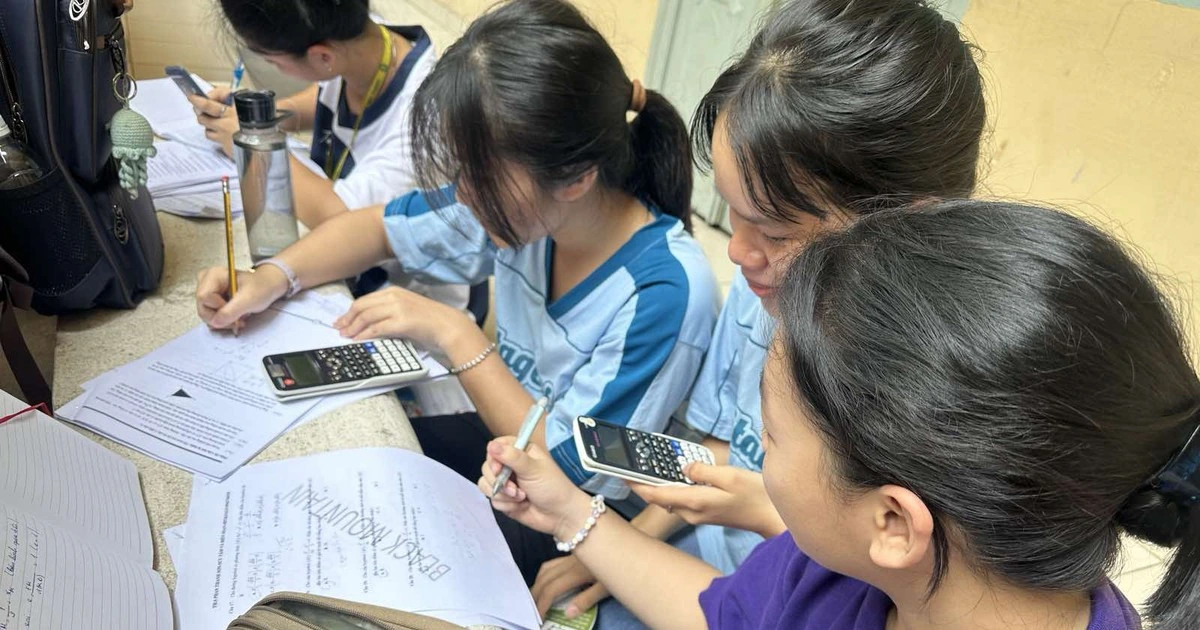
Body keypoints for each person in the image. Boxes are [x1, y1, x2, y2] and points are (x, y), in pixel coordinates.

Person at [482, 199, 1200, 630]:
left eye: (768, 437)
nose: (756, 461)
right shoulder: (850, 565)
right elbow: (727, 612)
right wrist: (570, 511)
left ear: (893, 521)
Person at [193, 0, 718, 584]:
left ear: (575, 177)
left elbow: (568, 467)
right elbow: (375, 228)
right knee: (343, 462)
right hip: (507, 445)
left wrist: (455, 333)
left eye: (479, 174)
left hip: (582, 512)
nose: (462, 193)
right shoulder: (520, 208)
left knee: (386, 556)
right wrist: (271, 278)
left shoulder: (664, 289)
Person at [529, 0, 987, 624]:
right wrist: (618, 544)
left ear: (908, 221)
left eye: (774, 231)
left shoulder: (946, 403)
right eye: (731, 212)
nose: (738, 252)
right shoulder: (761, 293)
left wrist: (766, 513)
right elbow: (720, 450)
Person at [190, 0, 472, 319]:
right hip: (341, 269)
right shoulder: (358, 37)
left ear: (323, 57)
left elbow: (345, 221)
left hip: (406, 304)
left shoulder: (426, 121)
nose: (276, 69)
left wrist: (253, 142)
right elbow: (327, 95)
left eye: (273, 62)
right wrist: (264, 116)